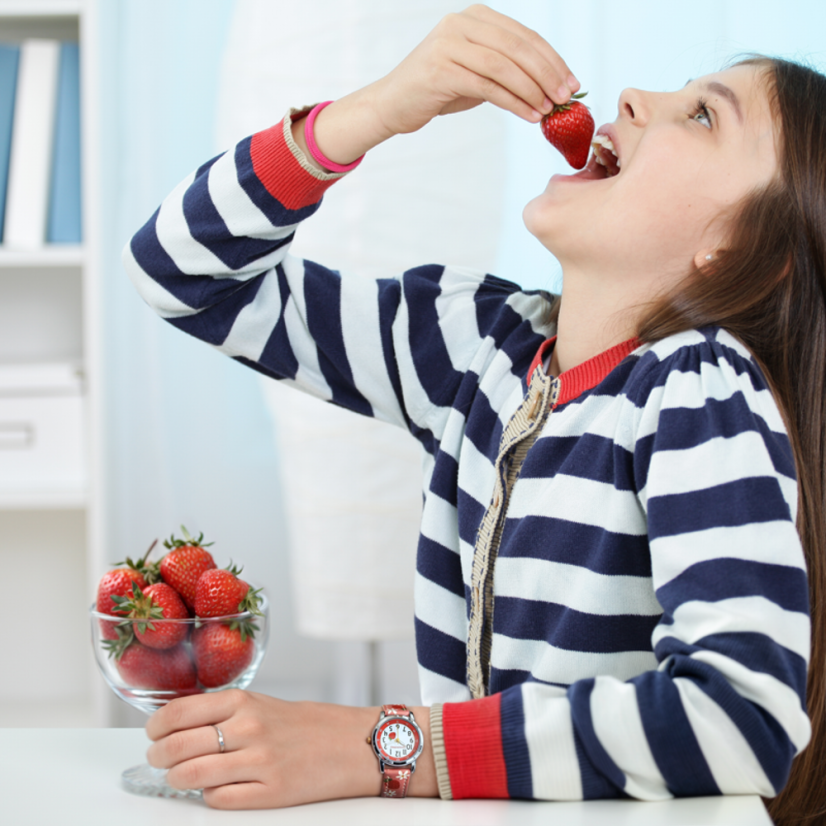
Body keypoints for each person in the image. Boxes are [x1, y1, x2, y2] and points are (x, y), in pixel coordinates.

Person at [122, 5, 824, 824]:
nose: (632, 95)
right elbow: (180, 275)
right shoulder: (479, 349)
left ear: (741, 252)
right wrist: (375, 111)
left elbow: (742, 719)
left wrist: (380, 747)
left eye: (703, 114)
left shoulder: (698, 391)